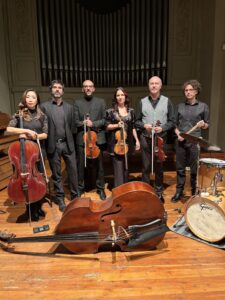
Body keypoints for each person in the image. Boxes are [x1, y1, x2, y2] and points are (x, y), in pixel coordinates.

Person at [6, 89, 48, 221]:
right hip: (22, 154)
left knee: (37, 179)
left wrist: (35, 135)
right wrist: (25, 130)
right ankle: (29, 210)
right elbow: (8, 129)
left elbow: (45, 134)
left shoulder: (42, 116)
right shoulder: (19, 115)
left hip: (36, 152)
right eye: (28, 97)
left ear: (37, 100)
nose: (30, 99)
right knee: (24, 181)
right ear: (24, 100)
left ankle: (38, 207)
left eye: (33, 97)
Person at [41, 80, 79, 212]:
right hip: (53, 144)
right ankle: (61, 198)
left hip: (68, 143)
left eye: (59, 88)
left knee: (73, 171)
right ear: (51, 90)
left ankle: (75, 197)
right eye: (55, 88)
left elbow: (73, 127)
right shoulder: (44, 107)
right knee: (57, 174)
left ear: (63, 91)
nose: (57, 90)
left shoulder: (69, 107)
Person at [136, 76, 175, 203]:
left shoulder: (167, 101)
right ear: (148, 86)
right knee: (146, 166)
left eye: (156, 83)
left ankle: (158, 191)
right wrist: (144, 126)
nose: (153, 85)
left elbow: (172, 121)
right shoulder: (142, 101)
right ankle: (145, 191)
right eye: (151, 83)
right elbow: (136, 121)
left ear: (160, 86)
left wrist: (163, 128)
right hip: (145, 138)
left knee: (159, 166)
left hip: (160, 140)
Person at [171, 79, 209, 202]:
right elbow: (174, 124)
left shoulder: (203, 106)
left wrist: (203, 124)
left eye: (190, 90)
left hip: (194, 141)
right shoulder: (179, 106)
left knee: (194, 169)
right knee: (180, 168)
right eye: (186, 90)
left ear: (196, 91)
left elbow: (207, 125)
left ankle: (194, 192)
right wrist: (178, 134)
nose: (187, 92)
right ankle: (179, 192)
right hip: (181, 141)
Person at [74, 80, 107, 200]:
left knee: (100, 167)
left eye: (90, 86)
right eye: (85, 87)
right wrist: (83, 123)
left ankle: (101, 189)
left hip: (97, 139)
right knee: (81, 166)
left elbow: (105, 120)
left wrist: (93, 124)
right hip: (82, 139)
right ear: (82, 89)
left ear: (94, 89)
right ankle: (80, 189)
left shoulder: (101, 102)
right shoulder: (77, 102)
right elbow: (75, 121)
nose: (88, 88)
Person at [105, 87, 140, 187]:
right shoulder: (110, 111)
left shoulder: (131, 111)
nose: (120, 97)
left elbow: (133, 127)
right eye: (118, 95)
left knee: (126, 167)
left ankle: (126, 187)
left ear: (125, 96)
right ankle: (119, 189)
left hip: (128, 142)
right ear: (115, 98)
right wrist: (117, 125)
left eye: (122, 95)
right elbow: (107, 127)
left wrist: (137, 140)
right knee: (118, 167)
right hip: (116, 143)